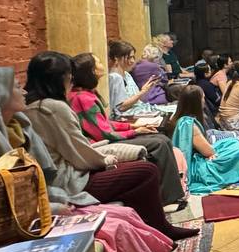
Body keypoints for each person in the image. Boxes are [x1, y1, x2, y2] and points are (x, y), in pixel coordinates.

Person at [0, 68, 212, 252]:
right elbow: (8, 201)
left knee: (126, 214)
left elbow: (42, 175)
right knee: (115, 227)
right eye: (14, 86)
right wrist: (56, 203)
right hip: (29, 222)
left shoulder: (19, 127)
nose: (23, 90)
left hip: (51, 200)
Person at [23, 52, 195, 240]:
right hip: (71, 178)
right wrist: (108, 159)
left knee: (156, 145)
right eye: (68, 75)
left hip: (72, 167)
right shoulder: (55, 107)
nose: (71, 79)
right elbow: (83, 149)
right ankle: (161, 226)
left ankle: (151, 228)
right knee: (147, 167)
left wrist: (130, 128)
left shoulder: (36, 107)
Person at [68, 52, 186, 207]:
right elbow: (104, 133)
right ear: (91, 71)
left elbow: (105, 123)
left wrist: (132, 126)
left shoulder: (88, 93)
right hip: (100, 144)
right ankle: (167, 199)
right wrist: (135, 131)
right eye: (98, 62)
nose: (103, 64)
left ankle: (168, 194)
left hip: (106, 135)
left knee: (161, 138)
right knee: (159, 143)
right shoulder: (83, 97)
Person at [170, 86, 239, 194]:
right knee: (236, 150)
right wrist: (211, 154)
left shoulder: (179, 119)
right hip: (195, 167)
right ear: (196, 102)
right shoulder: (189, 124)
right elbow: (208, 152)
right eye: (203, 98)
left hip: (194, 158)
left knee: (232, 142)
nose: (204, 101)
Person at [107, 40, 157, 120]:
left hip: (139, 110)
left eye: (133, 57)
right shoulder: (115, 77)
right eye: (129, 57)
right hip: (127, 117)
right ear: (117, 58)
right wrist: (142, 92)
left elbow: (136, 100)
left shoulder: (127, 74)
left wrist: (145, 90)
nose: (132, 61)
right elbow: (120, 107)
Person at [191, 59, 221, 124]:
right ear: (205, 74)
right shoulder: (206, 85)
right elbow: (217, 100)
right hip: (215, 111)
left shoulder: (197, 82)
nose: (211, 71)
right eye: (209, 70)